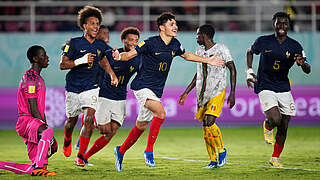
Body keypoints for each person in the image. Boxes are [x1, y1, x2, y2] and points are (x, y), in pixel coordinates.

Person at [112, 12, 225, 172]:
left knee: (141, 126)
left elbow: (186, 55)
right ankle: (149, 151)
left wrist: (208, 60)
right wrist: (118, 56)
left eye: (175, 24)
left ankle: (121, 151)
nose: (175, 26)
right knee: (161, 113)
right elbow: (128, 55)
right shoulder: (150, 43)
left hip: (156, 90)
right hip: (142, 86)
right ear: (162, 27)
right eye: (171, 24)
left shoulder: (175, 44)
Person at [246, 12, 311, 168]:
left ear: (288, 25)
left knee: (284, 125)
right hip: (264, 84)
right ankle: (268, 126)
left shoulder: (295, 46)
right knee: (275, 119)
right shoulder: (263, 41)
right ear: (274, 24)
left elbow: (307, 70)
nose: (282, 26)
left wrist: (302, 64)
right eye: (279, 23)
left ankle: (275, 158)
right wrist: (249, 71)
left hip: (283, 87)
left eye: (285, 23)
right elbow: (250, 52)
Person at [59, 5, 118, 167]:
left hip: (92, 87)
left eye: (97, 24)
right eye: (92, 23)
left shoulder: (99, 45)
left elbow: (105, 59)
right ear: (84, 26)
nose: (96, 26)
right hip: (73, 87)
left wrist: (112, 74)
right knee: (71, 120)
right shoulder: (74, 43)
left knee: (89, 118)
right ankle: (68, 138)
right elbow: (62, 65)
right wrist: (81, 60)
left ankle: (80, 155)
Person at [178, 24, 236, 169]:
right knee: (205, 127)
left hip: (218, 90)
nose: (196, 37)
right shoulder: (199, 51)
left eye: (197, 35)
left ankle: (222, 151)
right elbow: (199, 73)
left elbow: (232, 69)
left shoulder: (221, 49)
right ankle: (212, 160)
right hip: (203, 93)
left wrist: (233, 92)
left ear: (204, 35)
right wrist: (186, 91)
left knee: (210, 121)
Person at [81, 27, 141, 163]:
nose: (133, 43)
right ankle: (94, 120)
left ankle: (85, 157)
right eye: (130, 40)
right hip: (104, 95)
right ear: (123, 40)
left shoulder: (138, 58)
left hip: (120, 97)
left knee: (111, 132)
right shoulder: (109, 54)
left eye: (136, 40)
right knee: (105, 130)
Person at [0, 45, 58, 176]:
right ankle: (39, 168)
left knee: (34, 166)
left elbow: (40, 111)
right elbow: (33, 109)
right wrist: (47, 132)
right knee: (47, 132)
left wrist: (47, 134)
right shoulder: (31, 78)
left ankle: (34, 167)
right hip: (27, 121)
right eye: (44, 55)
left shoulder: (37, 78)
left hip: (32, 122)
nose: (47, 58)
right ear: (36, 59)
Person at [73, 24, 112, 154]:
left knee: (92, 118)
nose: (107, 36)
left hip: (102, 88)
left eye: (108, 33)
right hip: (88, 87)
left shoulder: (106, 49)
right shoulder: (90, 48)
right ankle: (80, 149)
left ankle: (80, 144)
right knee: (91, 118)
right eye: (104, 33)